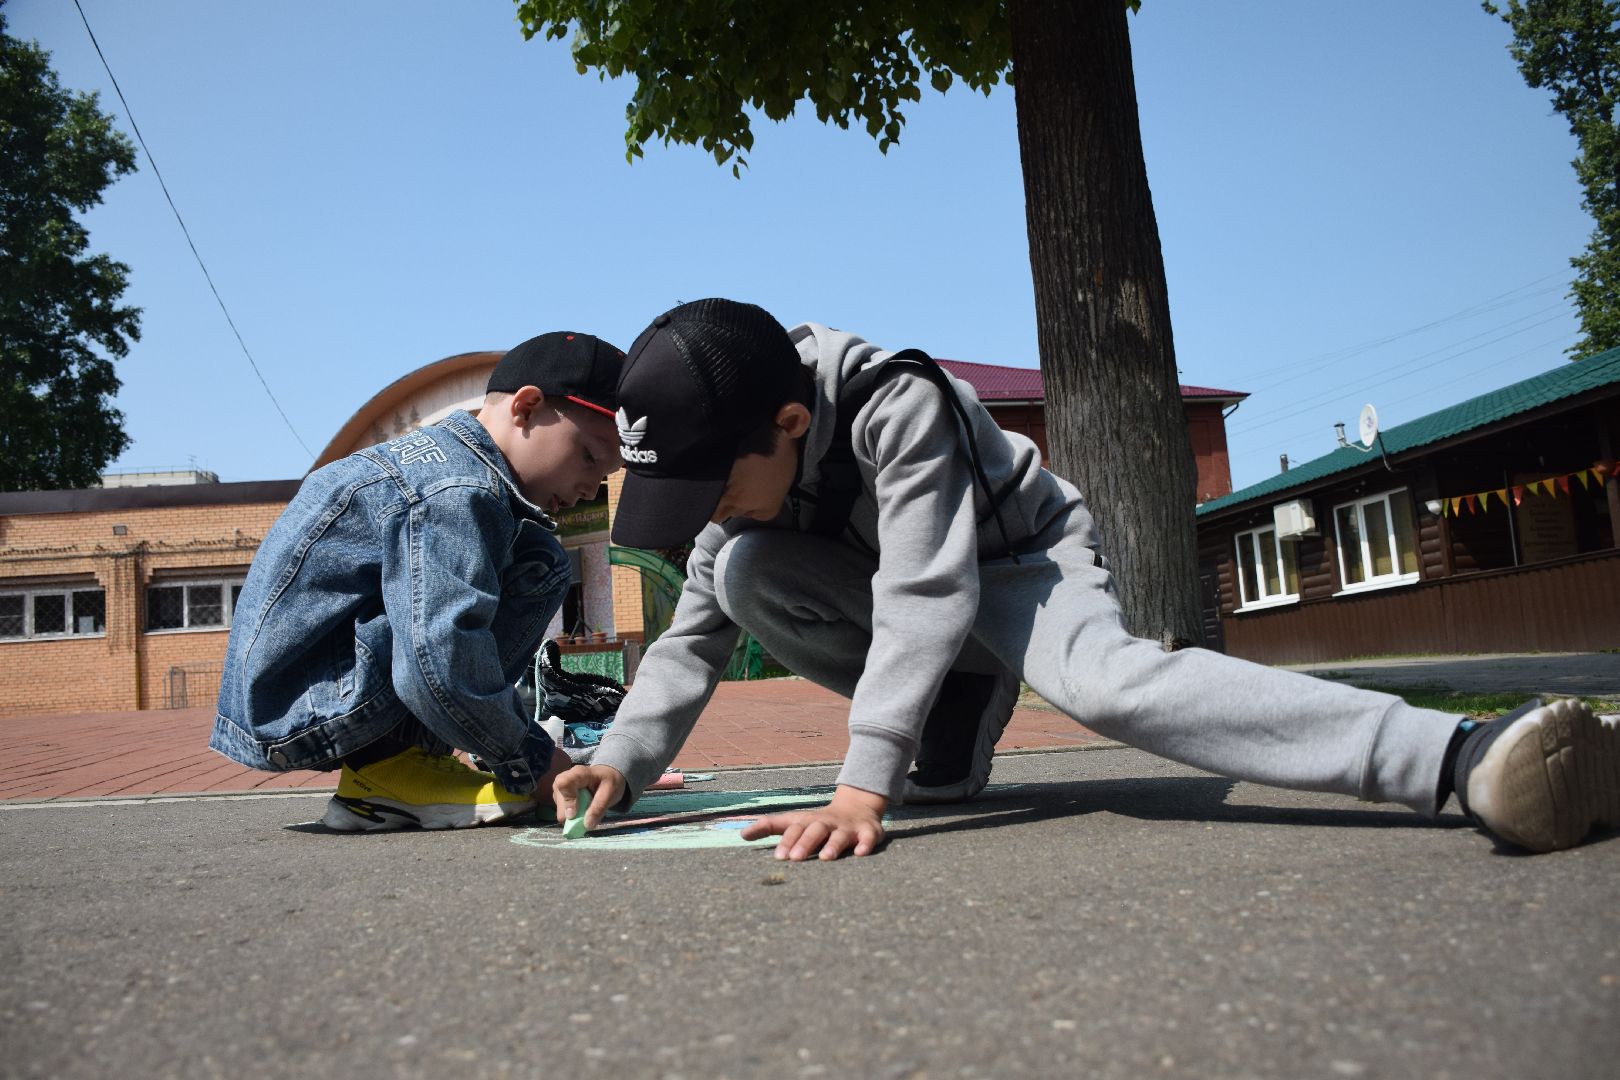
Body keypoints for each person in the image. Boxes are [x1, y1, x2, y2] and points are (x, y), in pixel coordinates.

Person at [210, 332, 625, 831]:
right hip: (301, 706)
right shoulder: (457, 489)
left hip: (304, 688)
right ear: (527, 407)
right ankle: (390, 764)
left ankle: (394, 772)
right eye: (588, 457)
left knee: (537, 556)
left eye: (605, 475)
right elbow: (440, 654)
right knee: (531, 568)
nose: (589, 489)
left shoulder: (444, 466)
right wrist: (536, 762)